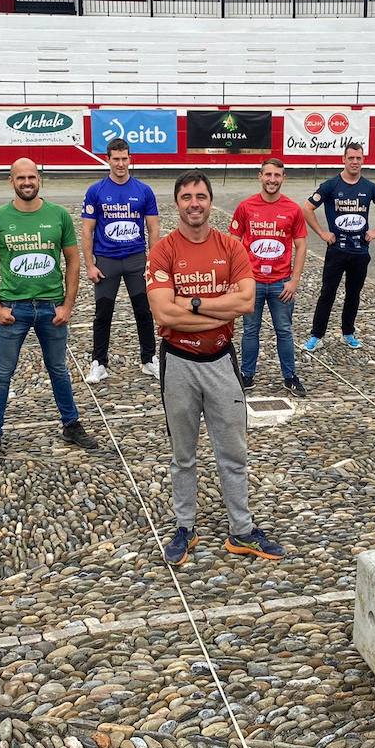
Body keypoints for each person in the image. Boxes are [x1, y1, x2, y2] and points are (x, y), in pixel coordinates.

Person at [147, 170, 285, 567]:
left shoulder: (231, 246)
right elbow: (161, 311)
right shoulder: (163, 251)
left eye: (201, 196)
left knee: (233, 452)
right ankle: (184, 527)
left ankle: (241, 531)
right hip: (179, 363)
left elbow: (244, 303)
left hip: (222, 361)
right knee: (183, 454)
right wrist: (212, 306)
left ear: (210, 201)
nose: (194, 203)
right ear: (178, 203)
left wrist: (189, 304)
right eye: (187, 196)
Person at [0, 157, 98, 463]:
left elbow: (72, 261)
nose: (27, 182)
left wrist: (67, 305)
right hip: (13, 310)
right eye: (21, 178)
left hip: (50, 308)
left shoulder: (58, 216)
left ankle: (71, 425)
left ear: (39, 179)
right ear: (11, 181)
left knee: (59, 370)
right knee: (2, 374)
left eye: (32, 177)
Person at [301, 141, 375, 351]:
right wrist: (323, 233)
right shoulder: (330, 185)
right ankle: (317, 335)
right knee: (328, 293)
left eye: (358, 158)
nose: (354, 162)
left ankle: (348, 332)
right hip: (336, 251)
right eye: (350, 158)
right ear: (343, 159)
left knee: (354, 294)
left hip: (360, 251)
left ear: (363, 160)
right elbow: (307, 208)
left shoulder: (369, 187)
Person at [81, 137, 160, 384]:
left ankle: (149, 359)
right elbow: (87, 231)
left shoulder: (143, 191)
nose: (120, 164)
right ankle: (99, 363)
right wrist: (89, 265)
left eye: (124, 158)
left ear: (130, 158)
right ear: (108, 160)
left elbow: (153, 229)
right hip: (107, 260)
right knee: (103, 313)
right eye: (116, 159)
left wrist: (153, 263)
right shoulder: (96, 191)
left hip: (136, 259)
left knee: (144, 312)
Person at [230, 157, 309, 397]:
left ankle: (290, 377)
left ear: (283, 178)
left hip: (280, 283)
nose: (272, 180)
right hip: (251, 283)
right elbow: (233, 242)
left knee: (284, 331)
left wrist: (294, 281)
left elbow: (301, 246)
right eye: (268, 175)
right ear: (260, 176)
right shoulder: (245, 207)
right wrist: (237, 278)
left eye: (277, 175)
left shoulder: (293, 209)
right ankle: (246, 375)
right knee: (250, 330)